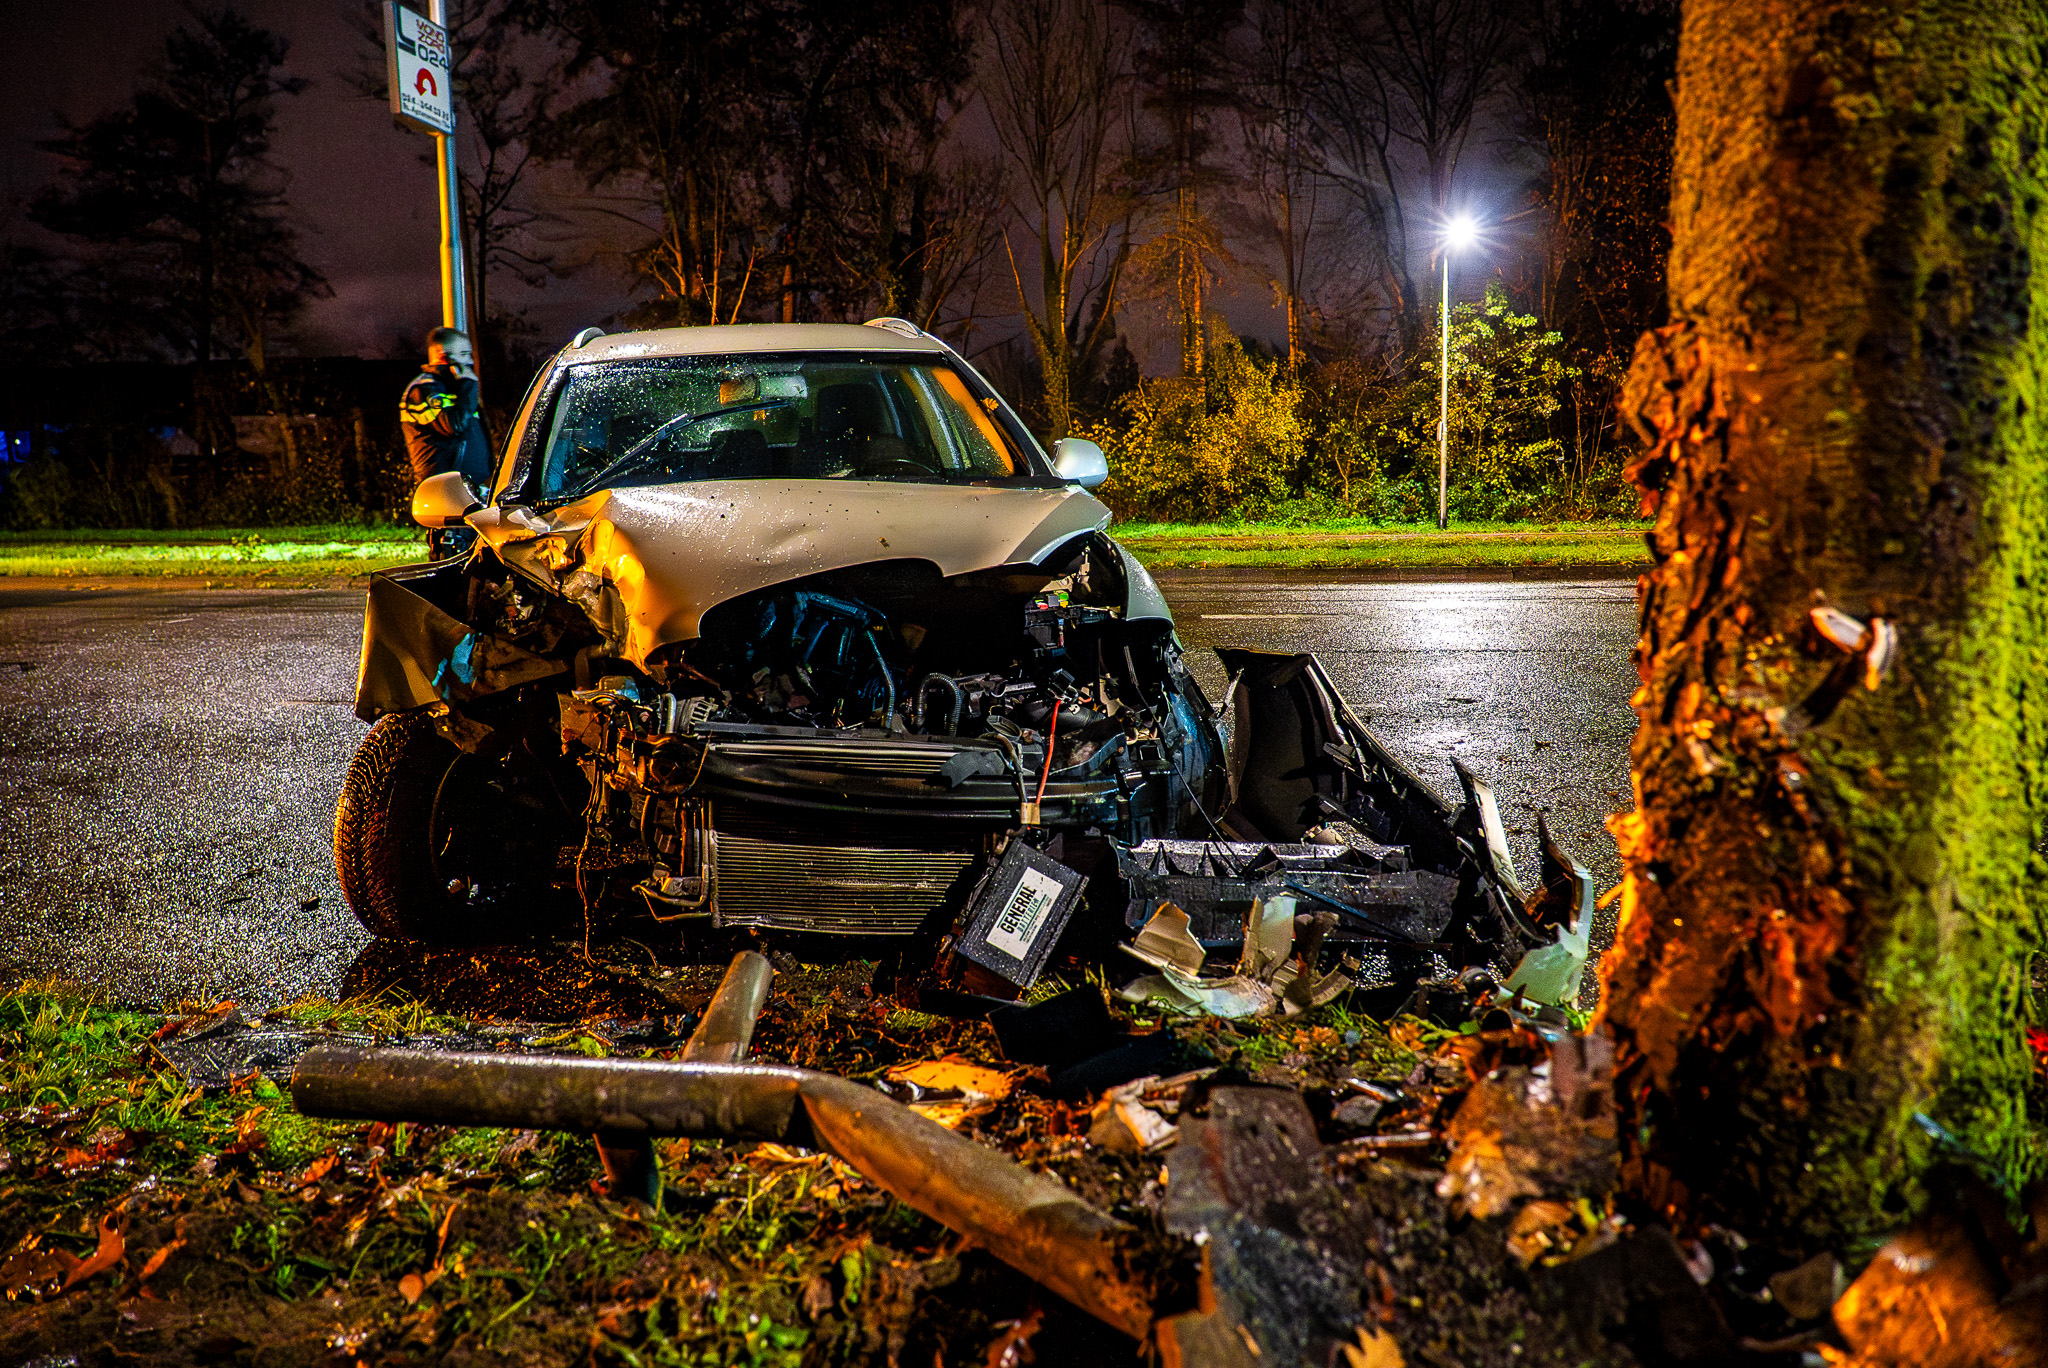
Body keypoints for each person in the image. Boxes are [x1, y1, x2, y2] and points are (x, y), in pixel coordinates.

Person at [398, 327, 492, 558]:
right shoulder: (424, 390)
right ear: (444, 356)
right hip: (446, 498)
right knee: (453, 565)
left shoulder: (454, 390)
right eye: (463, 354)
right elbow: (453, 425)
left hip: (469, 494)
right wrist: (469, 385)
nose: (469, 361)